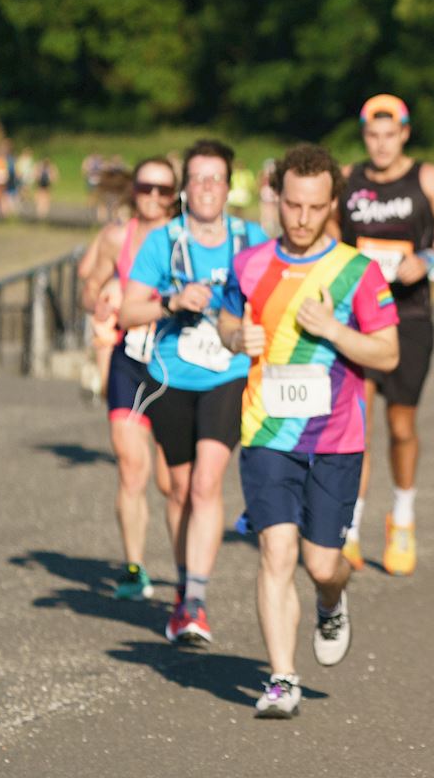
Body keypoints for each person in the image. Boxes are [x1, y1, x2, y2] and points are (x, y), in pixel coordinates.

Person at [216, 145, 400, 718]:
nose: (300, 218)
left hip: (336, 438)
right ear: (276, 198)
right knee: (275, 550)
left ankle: (331, 599)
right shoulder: (250, 263)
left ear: (332, 204)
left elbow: (388, 353)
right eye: (291, 205)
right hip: (266, 430)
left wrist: (335, 333)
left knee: (322, 563)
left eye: (313, 207)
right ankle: (282, 679)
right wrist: (232, 337)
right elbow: (225, 317)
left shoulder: (356, 270)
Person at [119, 139, 270, 644]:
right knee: (179, 488)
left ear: (230, 186)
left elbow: (272, 299)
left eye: (216, 178)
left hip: (228, 373)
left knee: (207, 484)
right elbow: (127, 311)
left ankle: (197, 603)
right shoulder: (165, 240)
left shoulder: (250, 239)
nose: (207, 187)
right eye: (198, 178)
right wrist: (171, 300)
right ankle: (184, 588)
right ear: (185, 188)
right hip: (170, 376)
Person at [335, 94, 434, 576]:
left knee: (399, 426)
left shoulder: (425, 177)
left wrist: (428, 260)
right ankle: (348, 526)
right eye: (373, 135)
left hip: (408, 317)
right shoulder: (349, 180)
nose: (381, 144)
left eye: (390, 135)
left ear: (404, 134)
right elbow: (331, 240)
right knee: (355, 422)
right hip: (357, 317)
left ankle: (403, 517)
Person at [79, 157, 179, 600]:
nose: (154, 197)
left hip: (177, 363)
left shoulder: (187, 240)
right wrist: (97, 301)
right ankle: (134, 568)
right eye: (146, 188)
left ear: (176, 194)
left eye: (164, 190)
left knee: (171, 481)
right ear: (134, 189)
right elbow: (88, 284)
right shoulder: (116, 237)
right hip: (129, 357)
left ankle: (186, 578)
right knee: (130, 464)